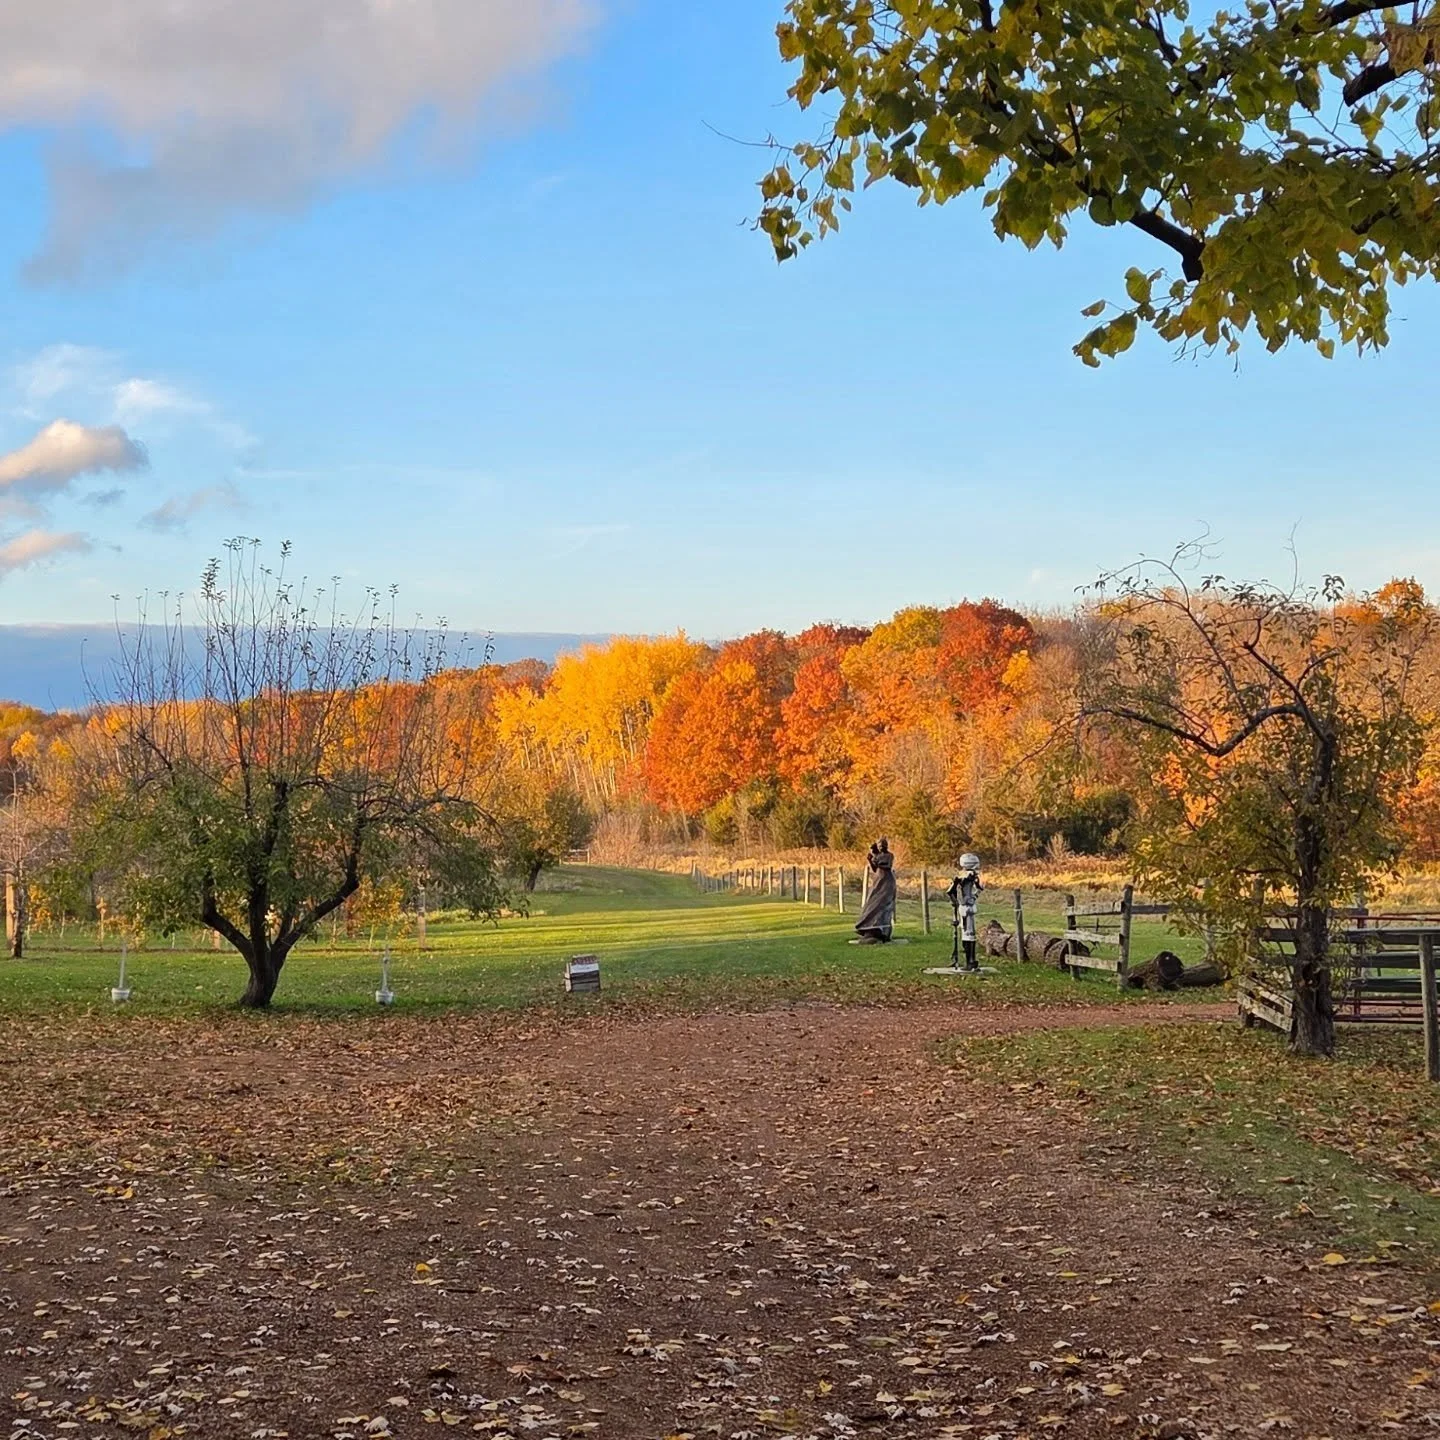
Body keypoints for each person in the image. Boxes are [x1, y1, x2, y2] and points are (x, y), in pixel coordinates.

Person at [854, 837, 896, 943]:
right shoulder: (878, 856)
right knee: (871, 903)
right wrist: (871, 860)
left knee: (882, 904)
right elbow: (875, 868)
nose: (881, 847)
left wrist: (876, 859)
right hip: (878, 881)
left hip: (886, 882)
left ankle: (882, 931)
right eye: (879, 846)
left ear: (886, 846)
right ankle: (868, 927)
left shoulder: (889, 855)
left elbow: (887, 866)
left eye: (883, 845)